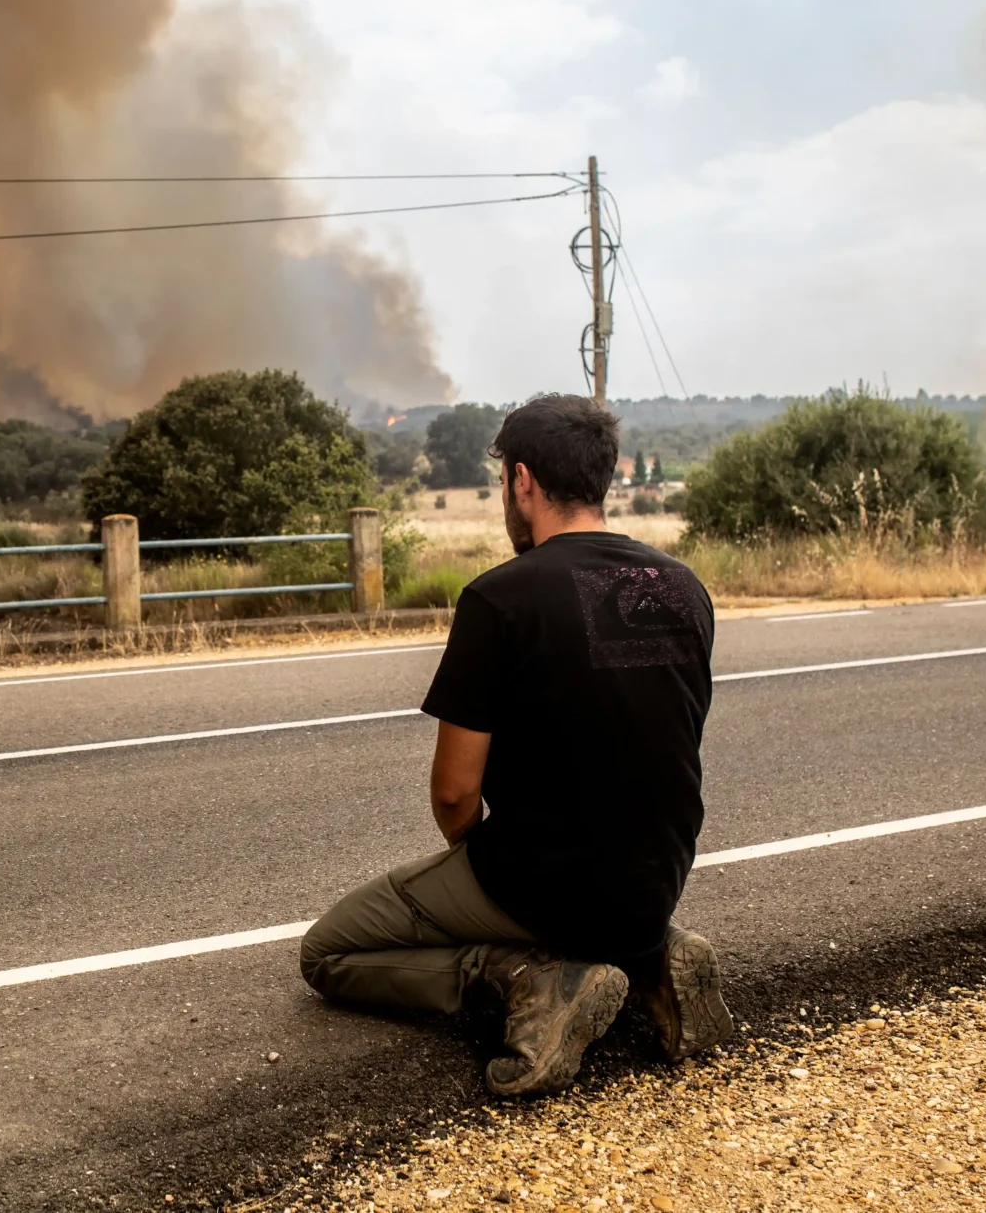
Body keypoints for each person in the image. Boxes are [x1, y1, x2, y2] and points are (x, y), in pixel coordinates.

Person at [299, 395, 732, 1096]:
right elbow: (664, 741)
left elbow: (453, 795)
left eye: (505, 481)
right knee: (585, 888)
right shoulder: (682, 587)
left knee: (328, 951)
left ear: (521, 481)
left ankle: (528, 980)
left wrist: (482, 870)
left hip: (544, 881)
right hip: (658, 876)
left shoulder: (500, 599)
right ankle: (649, 954)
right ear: (603, 477)